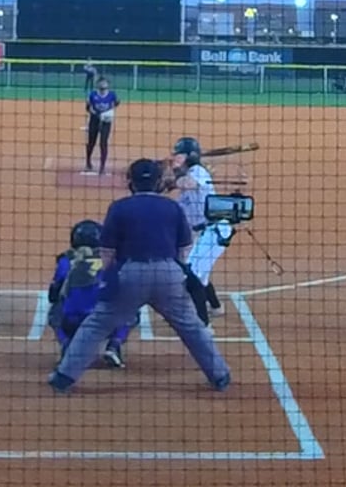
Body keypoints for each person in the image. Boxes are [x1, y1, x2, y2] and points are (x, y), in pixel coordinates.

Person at [48, 159, 231, 394]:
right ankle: (220, 375)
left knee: (96, 325)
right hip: (168, 274)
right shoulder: (172, 207)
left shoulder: (119, 207)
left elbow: (107, 252)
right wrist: (173, 270)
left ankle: (64, 376)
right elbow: (184, 248)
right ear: (158, 182)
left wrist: (112, 277)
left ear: (130, 182)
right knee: (192, 327)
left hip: (130, 274)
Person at [47, 220, 131, 369]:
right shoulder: (113, 260)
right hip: (104, 321)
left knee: (54, 312)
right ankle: (113, 346)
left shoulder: (66, 260)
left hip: (72, 322)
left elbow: (53, 295)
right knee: (131, 308)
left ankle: (67, 346)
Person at [169, 136, 230, 323]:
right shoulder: (188, 181)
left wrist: (173, 176)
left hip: (214, 232)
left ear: (189, 157)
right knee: (199, 274)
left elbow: (187, 183)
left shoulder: (198, 172)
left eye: (178, 155)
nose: (174, 157)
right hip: (203, 233)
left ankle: (203, 323)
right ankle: (216, 306)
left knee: (192, 275)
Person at [84, 74, 120, 176]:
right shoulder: (93, 94)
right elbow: (88, 107)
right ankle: (88, 162)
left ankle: (102, 166)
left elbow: (116, 103)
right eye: (101, 83)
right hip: (94, 120)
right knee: (91, 142)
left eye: (104, 83)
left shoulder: (112, 95)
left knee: (103, 143)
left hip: (106, 122)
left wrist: (109, 112)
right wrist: (95, 113)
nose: (103, 85)